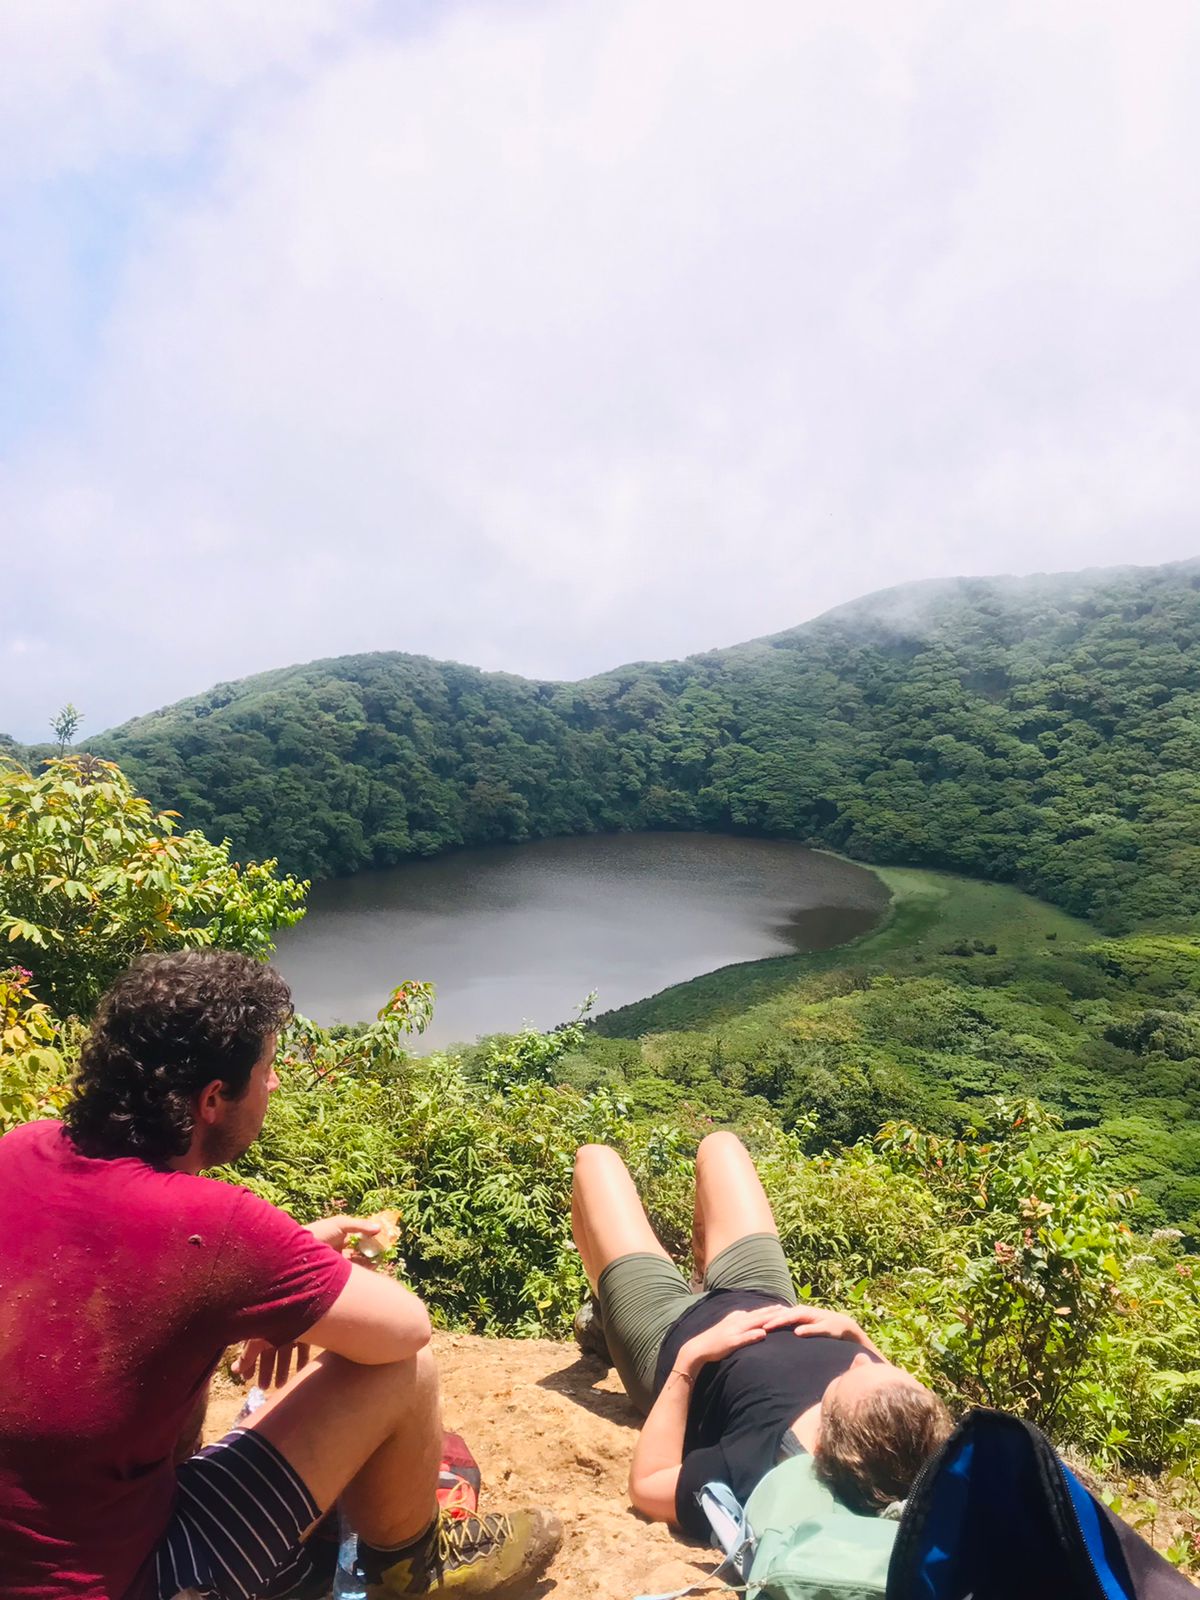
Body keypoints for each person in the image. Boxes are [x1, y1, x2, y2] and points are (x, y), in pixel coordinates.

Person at [0, 949, 561, 1600]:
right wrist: (289, 1280)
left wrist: (269, 1287)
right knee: (405, 1372)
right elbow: (405, 1330)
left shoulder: (20, 1150)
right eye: (266, 1070)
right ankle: (411, 1568)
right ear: (213, 1098)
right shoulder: (215, 1227)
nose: (273, 1085)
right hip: (128, 1583)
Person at [571, 1133, 951, 1540]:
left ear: (824, 1438)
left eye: (848, 1376)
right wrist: (853, 1331)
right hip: (762, 1295)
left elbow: (648, 1486)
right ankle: (699, 1278)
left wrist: (691, 1361)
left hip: (666, 1334)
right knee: (721, 1146)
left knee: (594, 1161)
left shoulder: (762, 1462)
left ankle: (607, 1307)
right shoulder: (910, 1430)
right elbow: (889, 1386)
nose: (861, 1358)